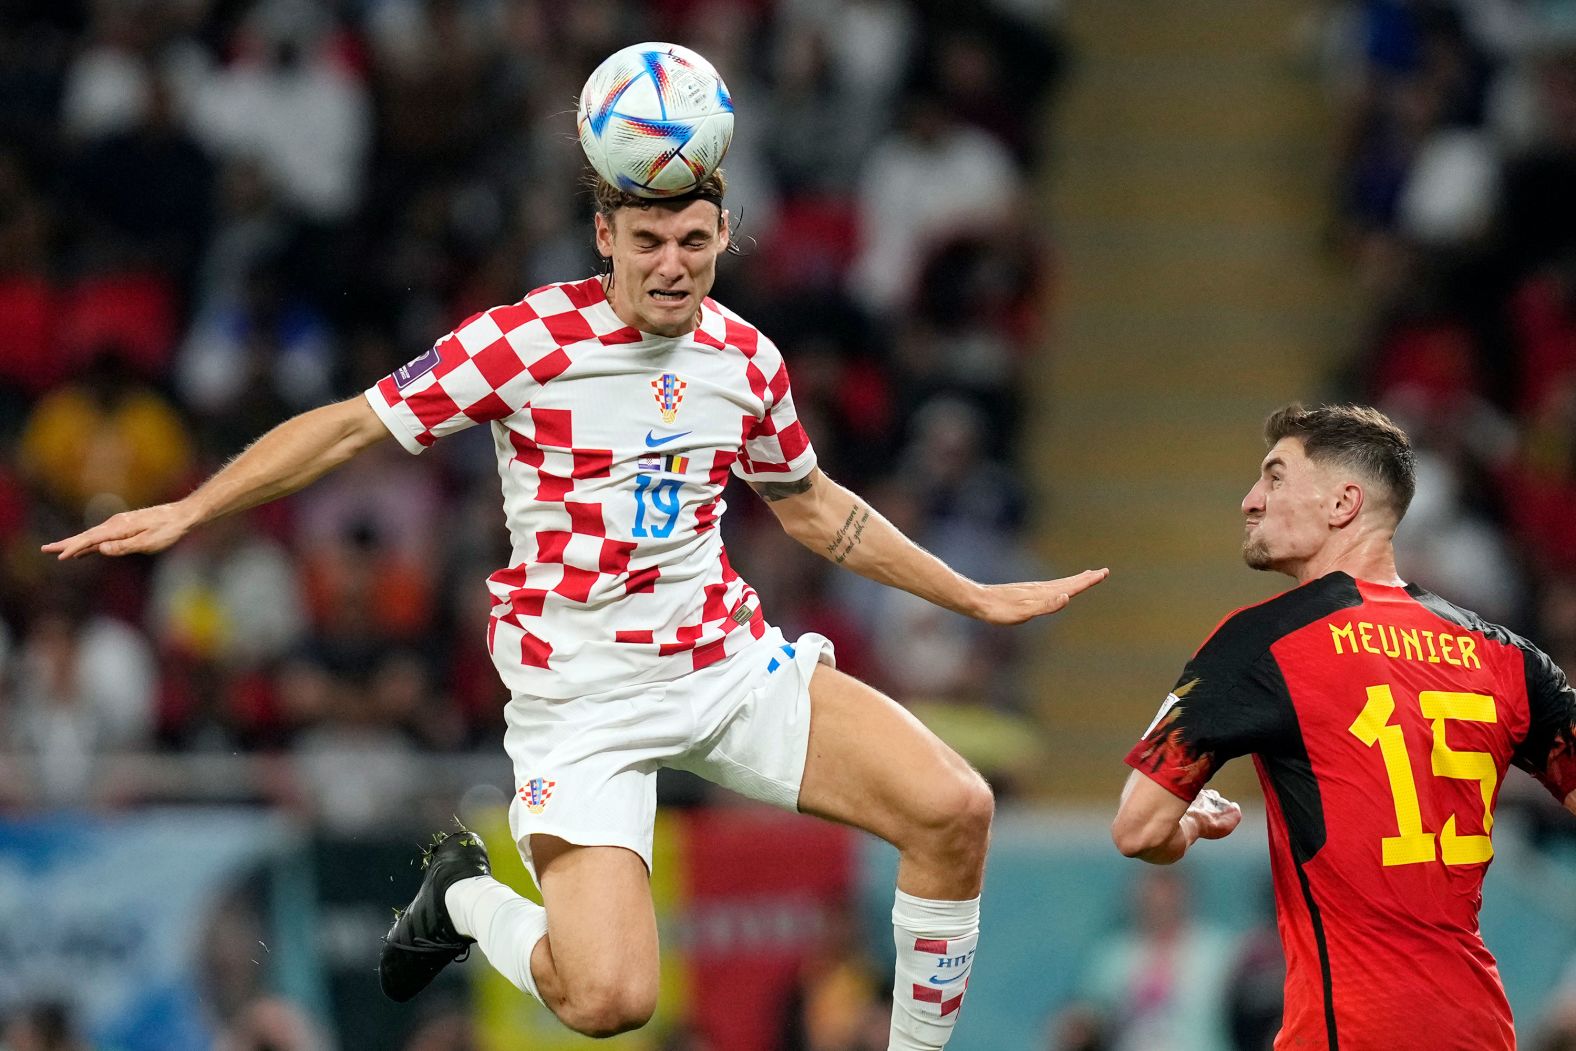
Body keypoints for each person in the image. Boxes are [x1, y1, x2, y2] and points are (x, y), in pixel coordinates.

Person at [44, 167, 1107, 1050]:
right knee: (608, 1001)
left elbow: (815, 509)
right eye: (648, 238)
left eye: (694, 239)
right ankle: (459, 897)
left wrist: (967, 594)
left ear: (724, 234)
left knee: (954, 809)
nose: (672, 263)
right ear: (605, 233)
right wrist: (194, 504)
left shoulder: (745, 360)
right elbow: (350, 427)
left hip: (723, 666)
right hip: (581, 704)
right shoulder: (525, 343)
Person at [1111, 404, 1576, 1050]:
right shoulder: (1506, 655)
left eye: (1274, 477)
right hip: (1480, 1027)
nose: (1250, 500)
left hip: (1349, 1030)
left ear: (1342, 503)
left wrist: (1186, 824)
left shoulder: (1261, 643)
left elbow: (1138, 827)